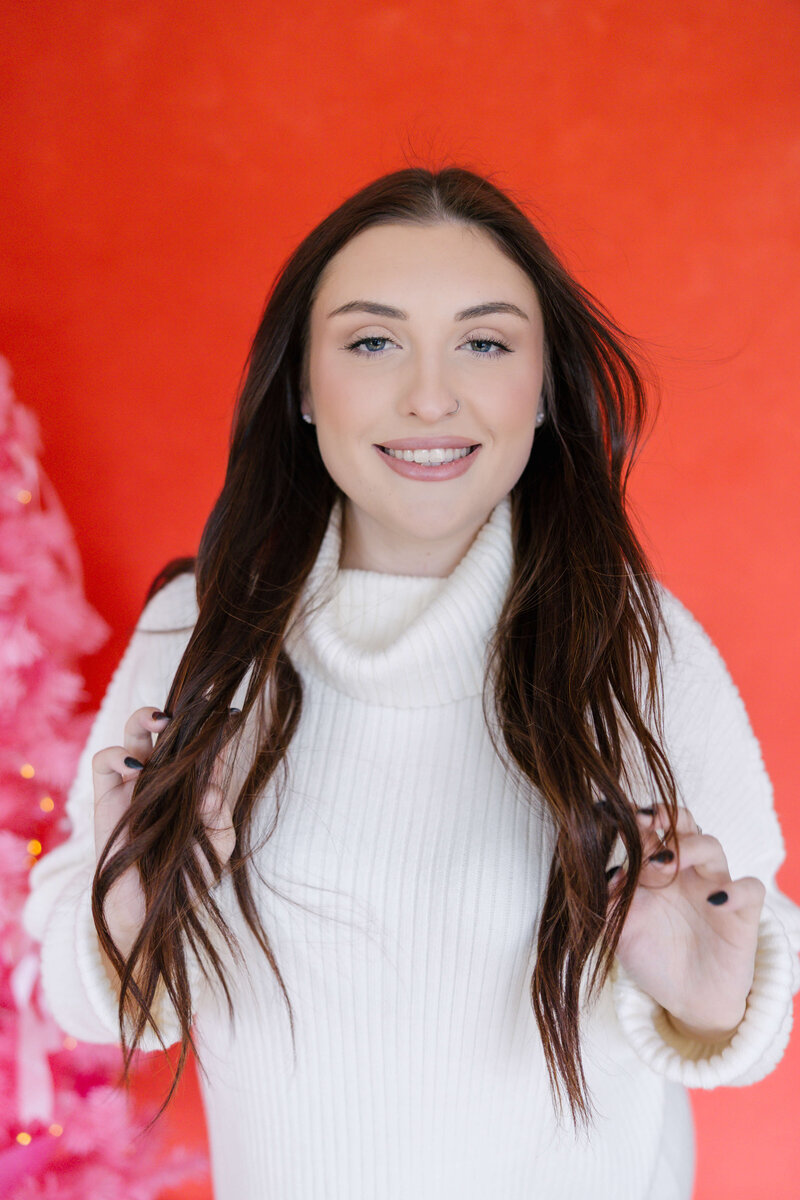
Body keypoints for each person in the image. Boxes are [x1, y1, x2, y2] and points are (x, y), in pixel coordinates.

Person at [22, 165, 800, 1200]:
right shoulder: (199, 636)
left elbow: (743, 995)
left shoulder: (632, 642)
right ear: (302, 385)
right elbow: (91, 1004)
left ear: (542, 386)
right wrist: (137, 897)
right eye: (372, 341)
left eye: (482, 343)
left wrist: (705, 999)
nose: (430, 396)